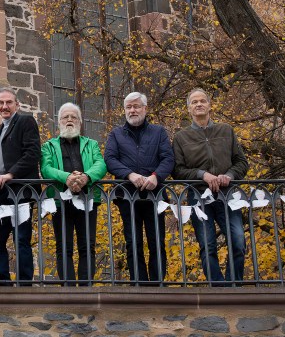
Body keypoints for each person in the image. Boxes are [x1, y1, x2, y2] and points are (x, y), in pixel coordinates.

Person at [173, 88, 250, 287]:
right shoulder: (181, 137)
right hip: (199, 197)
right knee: (207, 244)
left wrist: (229, 175)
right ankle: (217, 288)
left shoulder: (226, 130)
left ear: (209, 105)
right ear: (188, 109)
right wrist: (202, 175)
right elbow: (177, 171)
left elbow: (242, 162)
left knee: (238, 240)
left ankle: (233, 287)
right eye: (194, 102)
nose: (199, 104)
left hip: (227, 195)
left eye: (202, 101)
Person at [103, 92, 174, 286]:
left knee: (156, 241)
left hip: (155, 195)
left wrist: (156, 177)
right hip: (127, 196)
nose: (132, 110)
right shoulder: (116, 134)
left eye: (136, 106)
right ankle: (139, 285)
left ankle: (157, 285)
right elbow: (110, 159)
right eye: (128, 107)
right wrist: (130, 175)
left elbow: (168, 158)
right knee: (133, 242)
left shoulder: (159, 132)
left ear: (145, 108)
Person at [40, 102, 106, 286]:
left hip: (87, 199)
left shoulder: (91, 144)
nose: (69, 120)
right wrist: (67, 178)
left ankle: (86, 288)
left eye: (73, 117)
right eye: (65, 117)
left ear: (80, 122)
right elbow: (46, 168)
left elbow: (100, 165)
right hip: (60, 201)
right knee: (63, 246)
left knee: (87, 246)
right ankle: (68, 288)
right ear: (59, 122)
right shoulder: (48, 146)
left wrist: (85, 177)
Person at [0, 88, 41, 285]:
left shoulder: (26, 122)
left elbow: (32, 153)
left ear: (17, 105)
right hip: (0, 194)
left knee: (21, 238)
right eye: (1, 103)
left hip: (21, 192)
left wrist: (10, 174)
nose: (5, 106)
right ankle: (3, 283)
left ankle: (25, 284)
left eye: (9, 102)